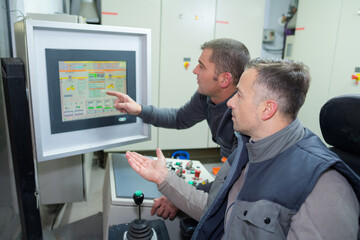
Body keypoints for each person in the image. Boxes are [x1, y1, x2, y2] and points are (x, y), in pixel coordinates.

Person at [126, 58, 360, 239]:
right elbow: (213, 209)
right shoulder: (247, 148)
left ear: (266, 110)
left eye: (240, 95)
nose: (230, 102)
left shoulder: (326, 188)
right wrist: (164, 179)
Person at [107, 38, 250, 219]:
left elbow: (231, 184)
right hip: (229, 173)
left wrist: (178, 196)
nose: (194, 70)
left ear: (224, 79)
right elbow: (179, 118)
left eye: (201, 66)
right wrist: (139, 110)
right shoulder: (205, 97)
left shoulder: (244, 119)